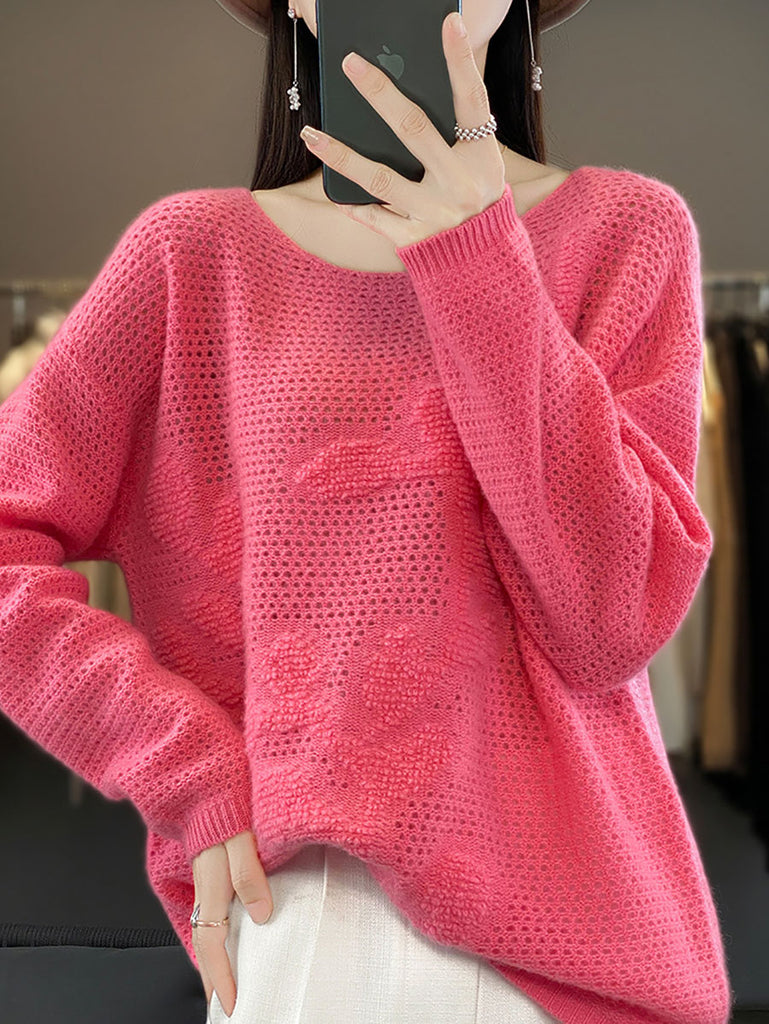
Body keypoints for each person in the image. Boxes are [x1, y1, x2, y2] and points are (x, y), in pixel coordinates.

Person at [0, 0, 734, 1021]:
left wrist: (478, 257)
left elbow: (611, 624)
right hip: (309, 924)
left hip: (579, 951)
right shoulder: (192, 258)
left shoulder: (626, 233)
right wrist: (180, 762)